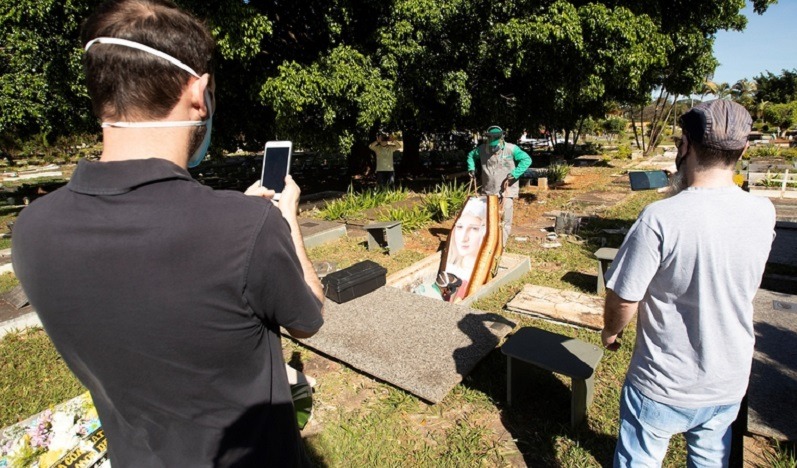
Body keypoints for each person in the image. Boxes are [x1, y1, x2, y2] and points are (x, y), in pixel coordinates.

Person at [12, 1, 324, 466]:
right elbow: (309, 317)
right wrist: (285, 220)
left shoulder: (31, 229)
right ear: (198, 92)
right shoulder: (245, 225)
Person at [601, 100, 776, 467]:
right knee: (711, 459)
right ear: (743, 150)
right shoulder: (764, 212)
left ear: (685, 146)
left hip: (662, 382)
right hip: (727, 381)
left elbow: (624, 297)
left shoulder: (660, 218)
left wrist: (610, 332)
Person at [466, 125, 531, 244]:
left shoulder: (512, 149)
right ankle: (488, 244)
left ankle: (501, 246)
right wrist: (471, 168)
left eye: (496, 143)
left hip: (507, 191)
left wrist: (515, 174)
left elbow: (527, 160)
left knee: (505, 220)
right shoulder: (481, 149)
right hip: (488, 191)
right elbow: (470, 156)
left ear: (502, 139)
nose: (493, 147)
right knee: (487, 219)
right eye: (490, 143)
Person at [444, 197, 487, 296]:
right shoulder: (450, 267)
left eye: (474, 229)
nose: (464, 238)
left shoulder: (481, 270)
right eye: (459, 227)